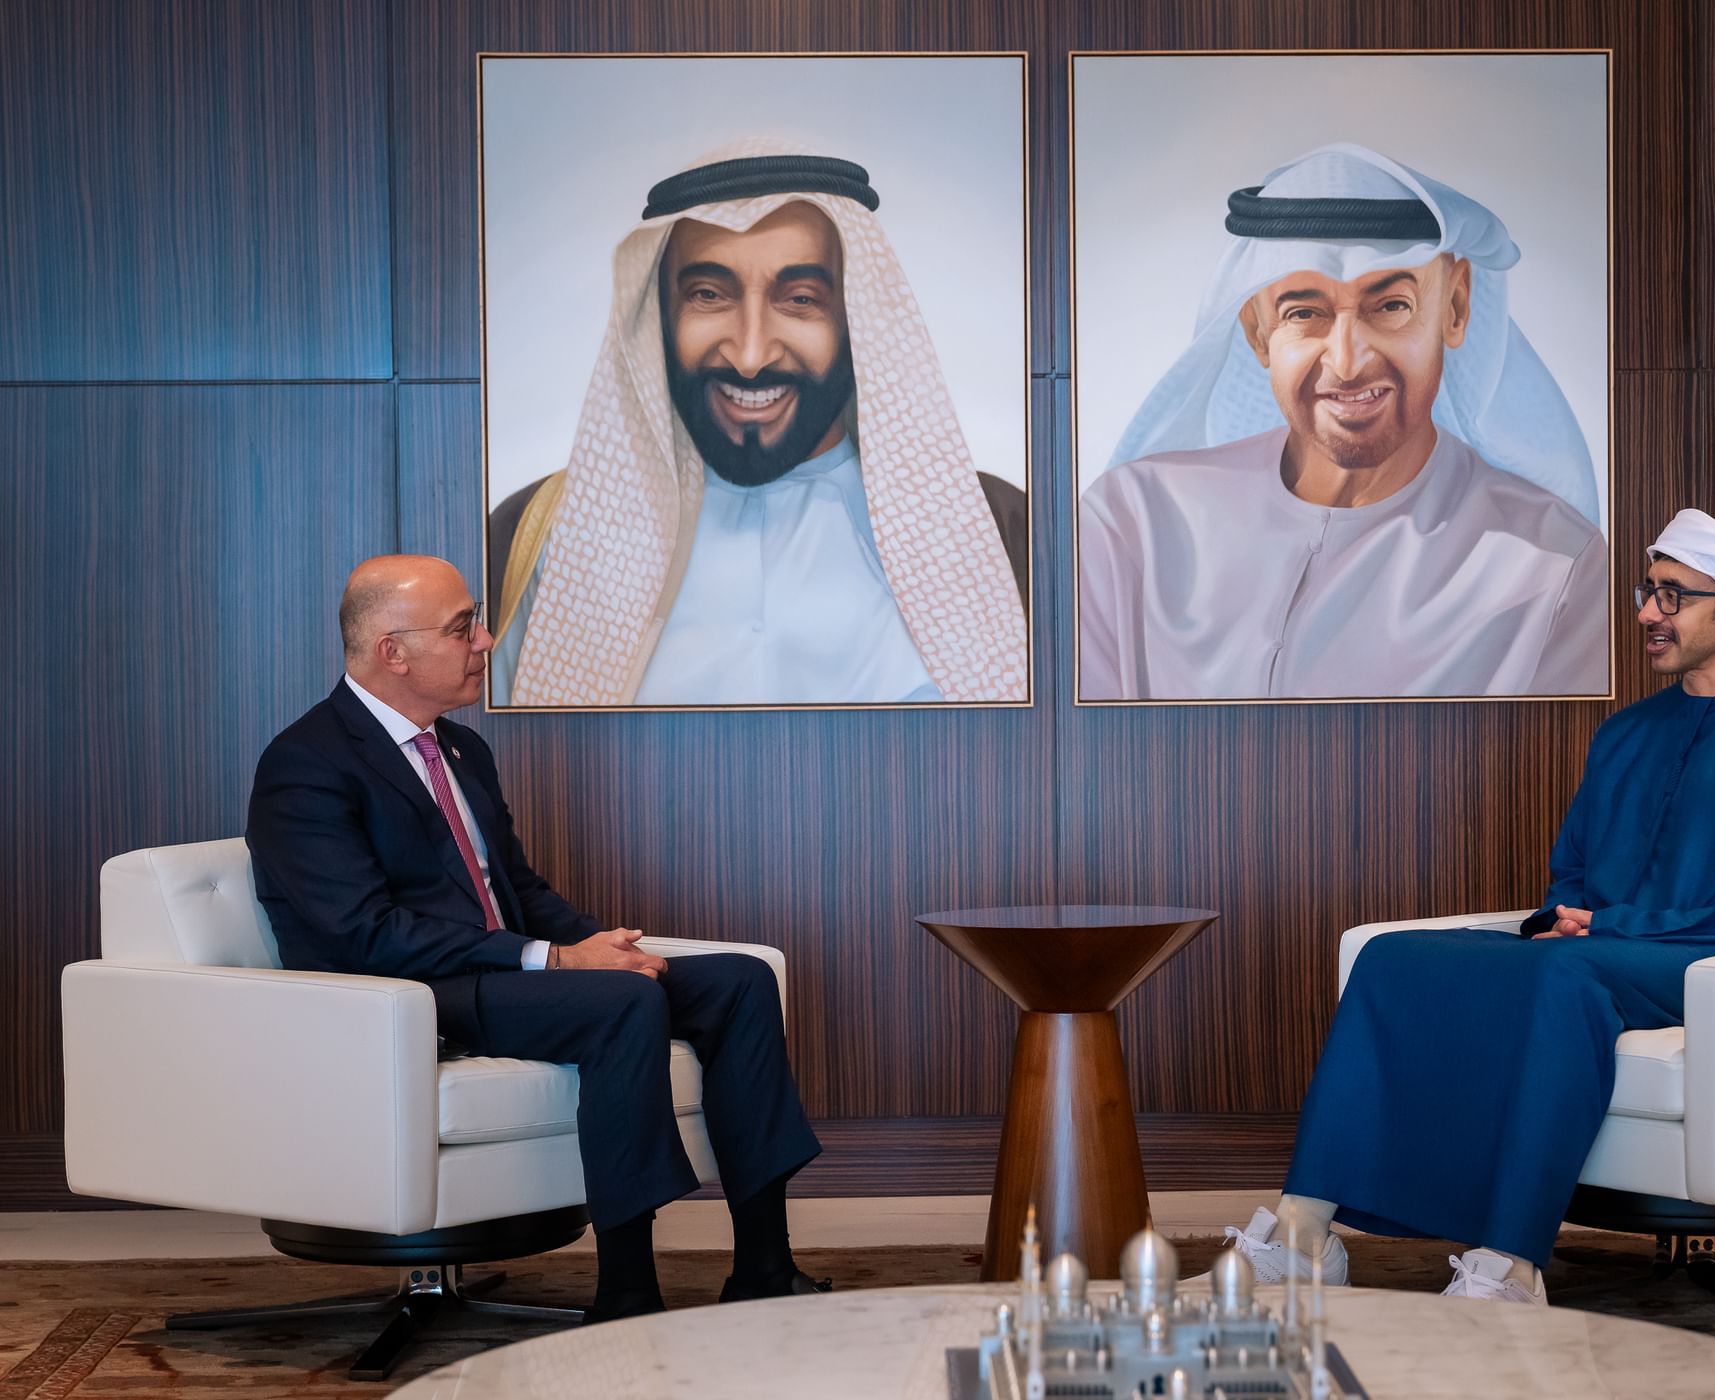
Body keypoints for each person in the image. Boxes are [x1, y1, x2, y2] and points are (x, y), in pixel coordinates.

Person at [1217, 510, 1715, 1304]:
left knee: (1562, 976)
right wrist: (1566, 915)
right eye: (1647, 592)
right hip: (1596, 950)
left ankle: (1512, 1263)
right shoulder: (1625, 733)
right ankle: (1304, 1231)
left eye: (1673, 596)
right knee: (1393, 958)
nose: (1648, 614)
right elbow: (1574, 869)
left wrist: (1610, 927)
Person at [248, 554, 825, 1318]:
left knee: (741, 981)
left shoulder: (462, 751)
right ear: (393, 651)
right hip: (409, 995)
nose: (485, 641)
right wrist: (553, 960)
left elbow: (516, 891)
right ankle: (627, 1295)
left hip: (498, 976)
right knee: (622, 1005)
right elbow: (366, 933)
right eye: (463, 628)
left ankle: (764, 1267)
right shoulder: (305, 764)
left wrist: (602, 947)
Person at [490, 140, 1029, 707]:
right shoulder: (543, 531)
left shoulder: (997, 531)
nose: (750, 355)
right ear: (659, 319)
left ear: (856, 321)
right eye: (708, 295)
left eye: (800, 299)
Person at [1079, 143, 1607, 700]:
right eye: (1304, 313)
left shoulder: (1552, 565)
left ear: (1455, 308)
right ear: (1258, 331)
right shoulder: (1132, 523)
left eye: (1391, 306)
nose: (1348, 362)